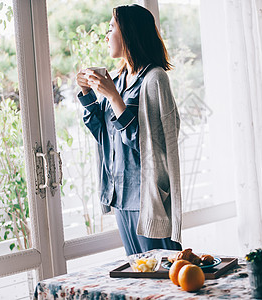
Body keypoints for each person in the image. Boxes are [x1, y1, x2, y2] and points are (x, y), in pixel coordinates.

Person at [75, 4, 182, 255]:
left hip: (148, 199)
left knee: (164, 278)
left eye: (111, 27)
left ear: (128, 32)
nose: (106, 35)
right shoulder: (119, 79)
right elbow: (104, 135)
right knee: (139, 275)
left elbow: (155, 146)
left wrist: (114, 98)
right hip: (120, 196)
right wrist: (87, 94)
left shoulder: (155, 79)